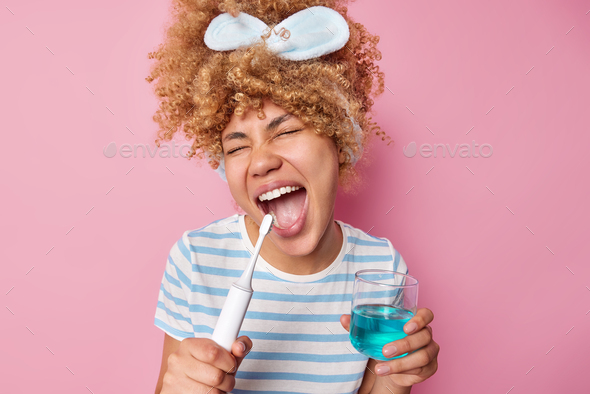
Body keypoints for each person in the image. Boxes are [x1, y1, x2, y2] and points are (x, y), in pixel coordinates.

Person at [147, 1, 439, 393]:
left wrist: (396, 380)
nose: (261, 162)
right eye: (236, 148)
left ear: (338, 138)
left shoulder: (380, 268)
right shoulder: (196, 260)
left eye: (284, 131)